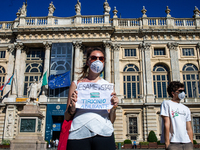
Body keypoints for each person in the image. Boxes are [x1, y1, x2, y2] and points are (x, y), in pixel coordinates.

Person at [64, 47, 119, 150]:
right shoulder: (76, 84)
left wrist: (114, 107)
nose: (97, 61)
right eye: (94, 58)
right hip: (78, 133)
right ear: (88, 62)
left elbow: (111, 120)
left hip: (104, 133)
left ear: (104, 62)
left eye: (101, 59)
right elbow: (67, 117)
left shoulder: (108, 86)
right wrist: (72, 107)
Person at [160, 81, 193, 150]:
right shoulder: (166, 103)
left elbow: (189, 128)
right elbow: (167, 124)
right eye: (180, 91)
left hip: (187, 143)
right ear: (173, 93)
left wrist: (191, 143)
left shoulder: (186, 108)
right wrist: (167, 143)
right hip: (174, 143)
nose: (183, 93)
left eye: (183, 90)